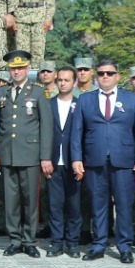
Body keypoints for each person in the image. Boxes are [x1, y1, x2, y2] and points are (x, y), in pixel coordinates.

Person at [68, 59, 135, 262]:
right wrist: (76, 158)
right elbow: (77, 132)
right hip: (94, 161)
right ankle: (99, 244)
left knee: (123, 204)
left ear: (117, 76)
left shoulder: (131, 100)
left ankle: (124, 246)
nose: (105, 76)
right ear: (97, 76)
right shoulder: (85, 100)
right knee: (98, 205)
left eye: (110, 73)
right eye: (102, 73)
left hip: (123, 160)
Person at [0, 51, 46, 257]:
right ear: (9, 70)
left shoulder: (38, 92)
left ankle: (29, 240)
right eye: (13, 68)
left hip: (30, 153)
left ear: (27, 69)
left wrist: (45, 156)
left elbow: (46, 126)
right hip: (8, 153)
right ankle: (14, 239)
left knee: (30, 199)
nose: (17, 72)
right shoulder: (1, 93)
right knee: (11, 200)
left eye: (21, 68)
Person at [46, 66, 82, 257]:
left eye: (67, 80)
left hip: (74, 163)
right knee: (55, 205)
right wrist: (44, 158)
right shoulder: (48, 104)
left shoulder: (81, 104)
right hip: (53, 162)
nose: (62, 83)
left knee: (74, 206)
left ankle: (73, 243)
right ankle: (56, 242)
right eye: (60, 79)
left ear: (74, 82)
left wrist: (81, 160)